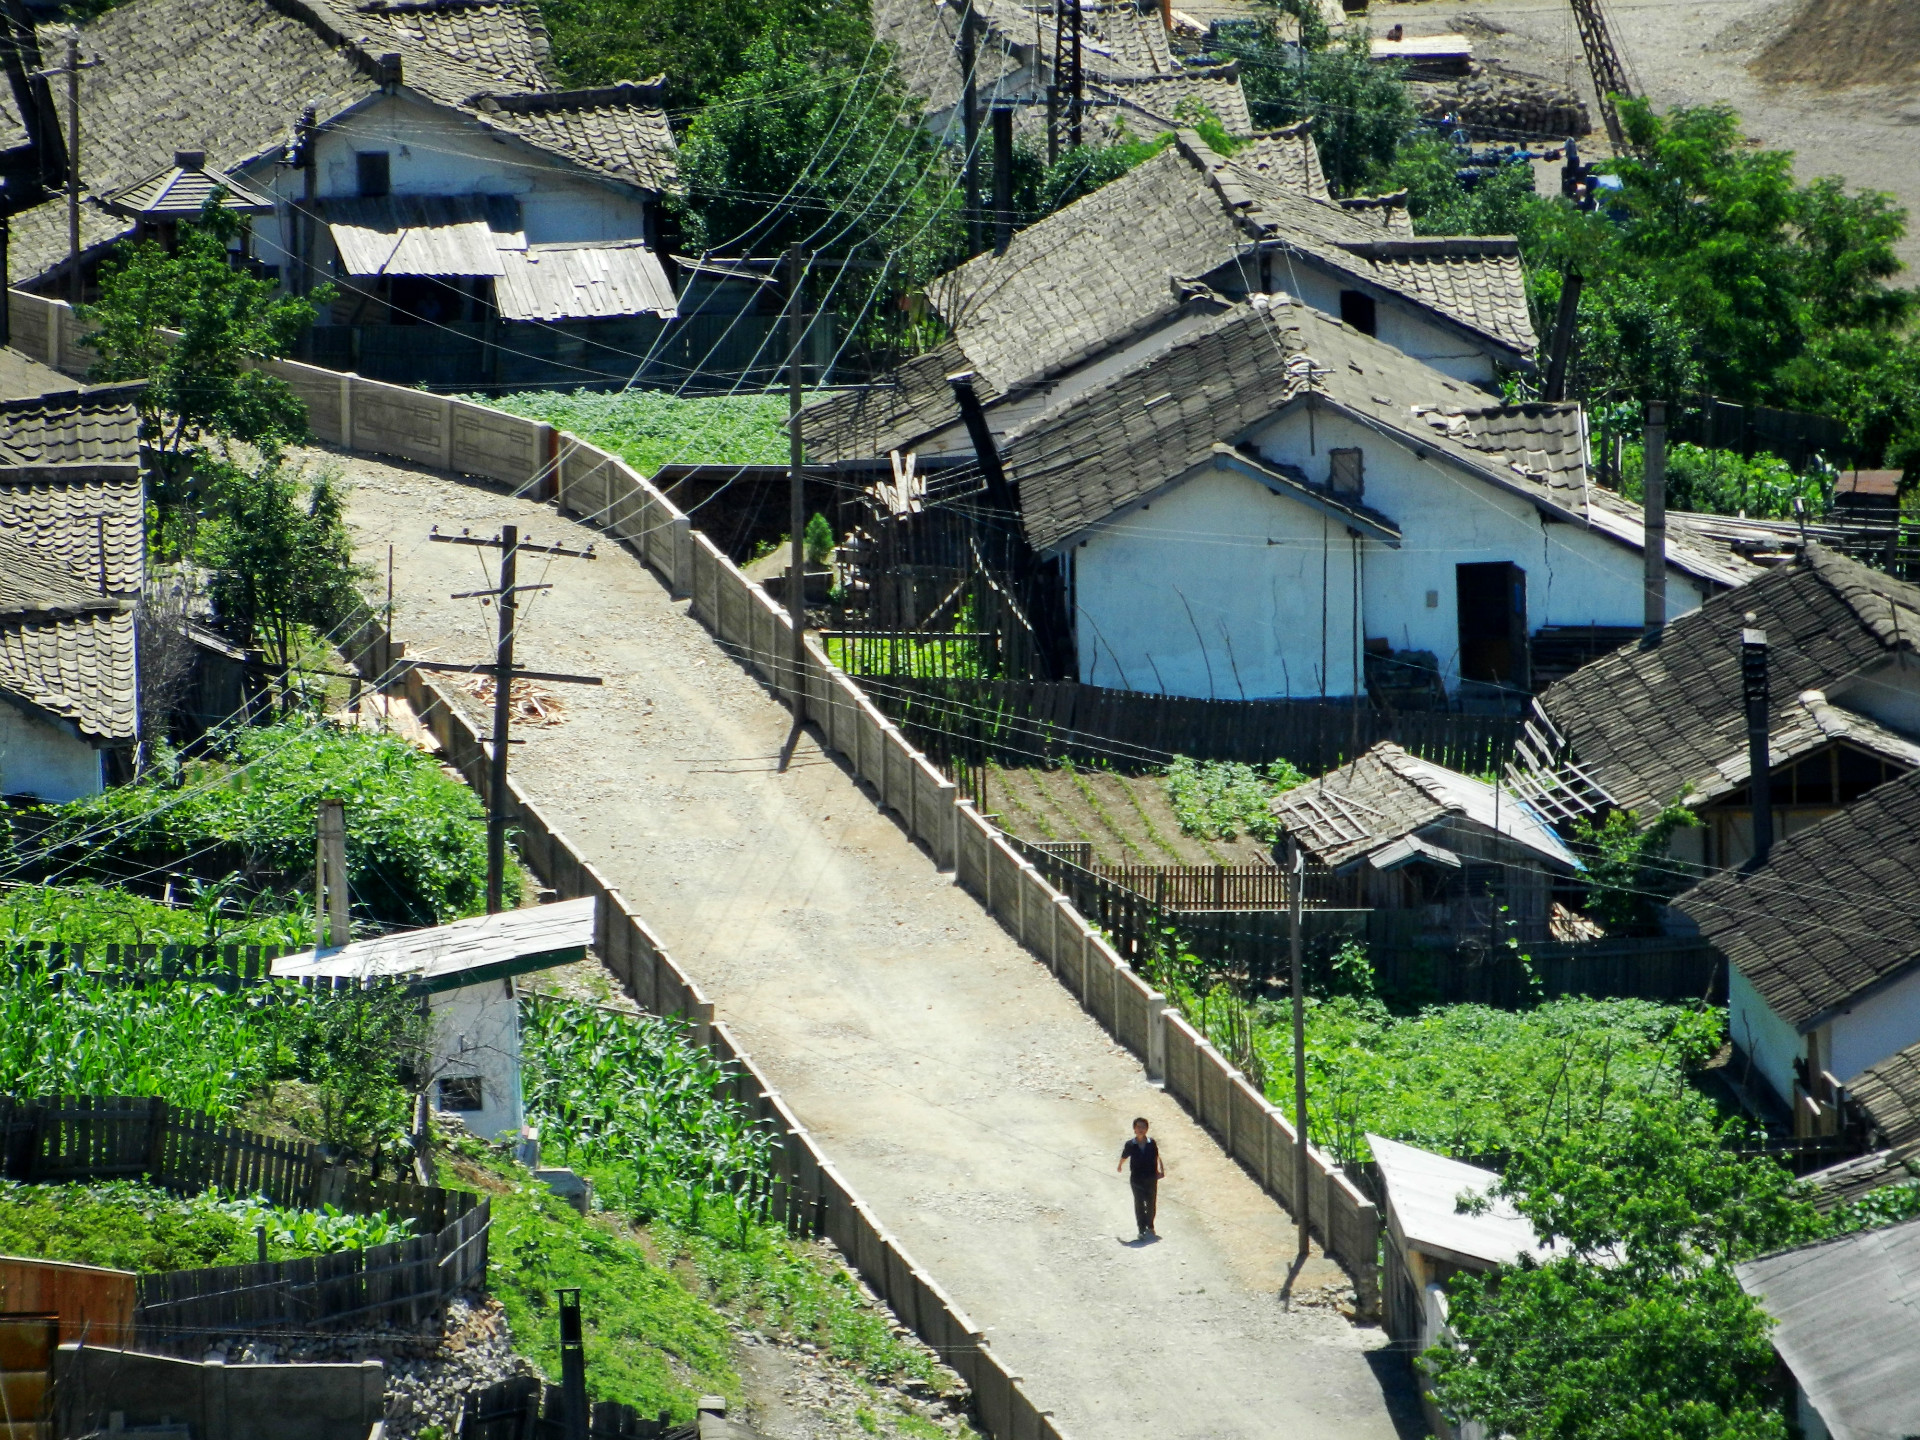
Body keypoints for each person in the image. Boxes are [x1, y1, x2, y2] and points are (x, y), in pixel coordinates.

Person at [1117, 1117, 1164, 1238]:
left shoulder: (1151, 1143)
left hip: (1151, 1177)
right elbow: (1124, 1156)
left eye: (1143, 1127)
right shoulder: (1130, 1144)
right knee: (1139, 1202)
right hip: (1136, 1179)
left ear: (1147, 1129)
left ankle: (1150, 1224)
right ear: (1134, 1129)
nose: (1141, 1129)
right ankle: (1141, 1228)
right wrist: (1120, 1166)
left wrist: (1160, 1170)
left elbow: (1157, 1156)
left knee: (1150, 1202)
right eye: (1138, 1127)